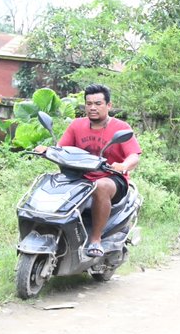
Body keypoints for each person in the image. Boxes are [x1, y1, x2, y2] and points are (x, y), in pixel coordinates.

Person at [35, 84, 142, 257]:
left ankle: (95, 240)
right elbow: (61, 149)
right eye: (89, 103)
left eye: (98, 103)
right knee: (50, 182)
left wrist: (123, 166)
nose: (92, 107)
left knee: (100, 186)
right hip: (79, 178)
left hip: (111, 180)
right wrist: (47, 150)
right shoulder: (77, 126)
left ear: (109, 105)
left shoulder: (121, 127)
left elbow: (134, 156)